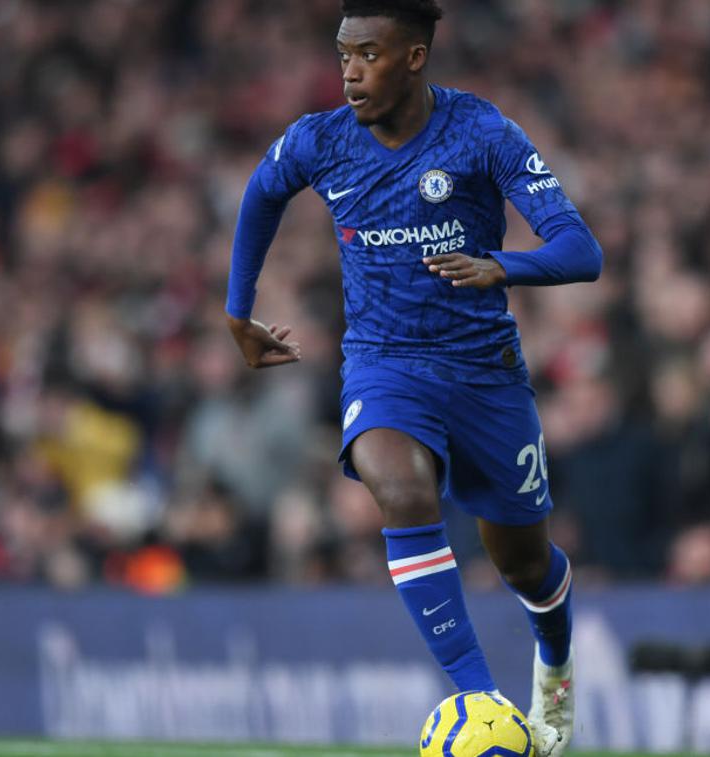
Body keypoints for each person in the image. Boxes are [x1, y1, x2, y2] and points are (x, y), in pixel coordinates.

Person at [223, 1, 602, 752]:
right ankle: (477, 695)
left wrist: (503, 266)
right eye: (343, 56)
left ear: (415, 58)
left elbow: (581, 250)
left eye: (368, 54)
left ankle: (554, 660)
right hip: (384, 363)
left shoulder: (481, 132)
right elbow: (261, 194)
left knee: (523, 563)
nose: (350, 72)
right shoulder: (320, 140)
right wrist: (239, 309)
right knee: (395, 486)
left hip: (484, 372)